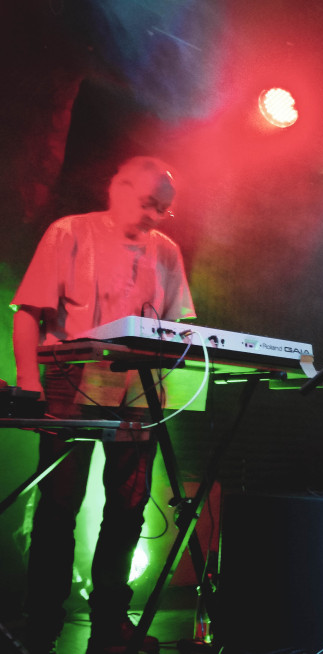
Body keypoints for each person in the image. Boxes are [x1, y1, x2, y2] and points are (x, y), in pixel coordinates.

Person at [12, 156, 195, 654]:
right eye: (149, 203)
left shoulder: (166, 251)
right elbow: (29, 312)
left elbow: (177, 328)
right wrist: (28, 383)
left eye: (164, 209)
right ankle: (42, 624)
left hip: (137, 389)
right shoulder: (69, 232)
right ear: (119, 187)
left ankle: (110, 625)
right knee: (58, 508)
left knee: (128, 512)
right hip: (70, 381)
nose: (155, 216)